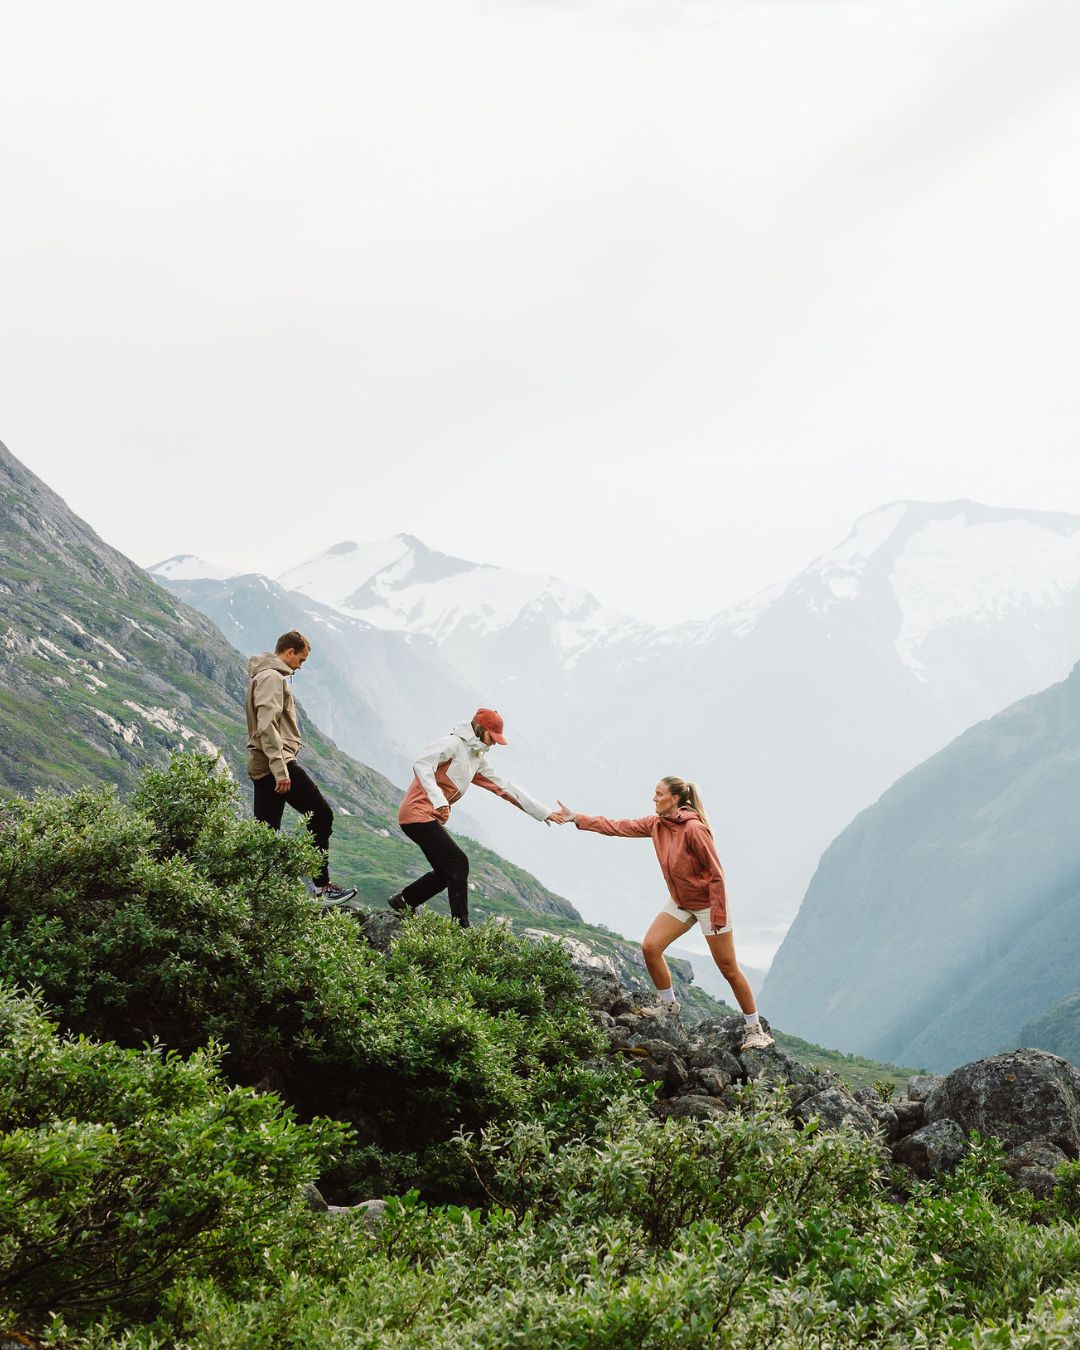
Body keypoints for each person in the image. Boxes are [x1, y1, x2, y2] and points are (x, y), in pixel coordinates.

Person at [550, 777, 774, 1051]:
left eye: (659, 794)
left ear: (675, 799)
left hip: (708, 904)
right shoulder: (656, 824)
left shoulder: (694, 829)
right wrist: (576, 817)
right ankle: (668, 1005)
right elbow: (617, 826)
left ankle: (755, 1030)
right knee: (650, 947)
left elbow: (716, 874)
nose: (653, 798)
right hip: (681, 902)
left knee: (728, 968)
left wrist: (717, 914)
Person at [388, 709, 559, 927]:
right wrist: (439, 800)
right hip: (416, 813)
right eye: (492, 737)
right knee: (458, 863)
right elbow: (422, 765)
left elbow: (504, 786)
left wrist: (542, 812)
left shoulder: (476, 758)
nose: (494, 743)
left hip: (428, 816)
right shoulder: (453, 744)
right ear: (480, 729)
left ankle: (404, 900)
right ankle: (461, 928)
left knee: (446, 872)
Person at [246, 630, 357, 905]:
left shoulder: (263, 675)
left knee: (265, 833)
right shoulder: (272, 678)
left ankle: (253, 894)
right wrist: (281, 769)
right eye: (301, 659)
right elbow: (267, 726)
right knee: (321, 815)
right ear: (289, 652)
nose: (300, 666)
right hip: (277, 763)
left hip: (264, 764)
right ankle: (322, 888)